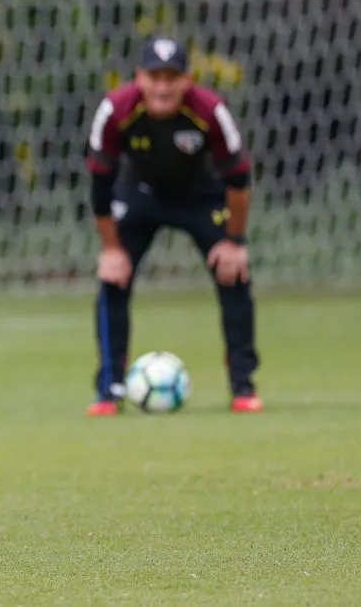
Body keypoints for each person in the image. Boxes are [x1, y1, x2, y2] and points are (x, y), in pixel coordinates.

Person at [84, 36, 261, 416]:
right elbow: (100, 185)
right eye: (154, 77)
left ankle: (243, 387)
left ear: (187, 80)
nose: (162, 87)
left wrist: (234, 240)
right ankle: (109, 390)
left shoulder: (210, 111)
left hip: (201, 196)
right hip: (139, 194)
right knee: (112, 279)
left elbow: (239, 180)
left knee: (233, 274)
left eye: (172, 77)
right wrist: (111, 249)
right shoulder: (115, 110)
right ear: (139, 78)